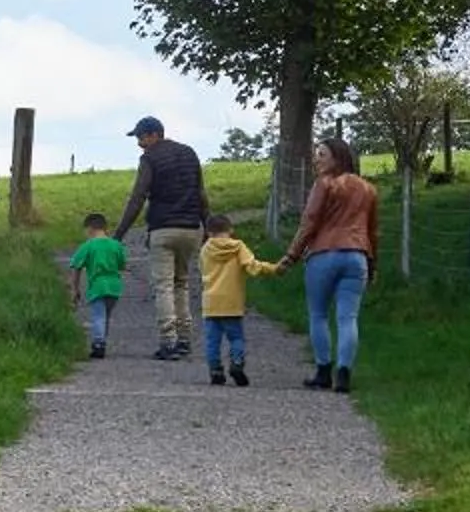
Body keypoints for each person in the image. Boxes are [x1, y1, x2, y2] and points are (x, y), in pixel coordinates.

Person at [278, 137, 379, 392]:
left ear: (337, 157)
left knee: (319, 314)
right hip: (356, 256)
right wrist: (372, 263)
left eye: (321, 154)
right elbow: (373, 230)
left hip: (324, 254)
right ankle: (344, 374)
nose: (316, 159)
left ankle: (323, 371)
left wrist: (291, 255)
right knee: (348, 317)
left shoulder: (324, 184)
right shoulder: (368, 189)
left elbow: (309, 222)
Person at [114, 116, 210, 360]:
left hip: (163, 229)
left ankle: (169, 342)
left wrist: (119, 234)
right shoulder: (189, 153)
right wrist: (207, 227)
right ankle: (185, 339)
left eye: (141, 137)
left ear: (154, 134)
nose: (139, 143)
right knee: (182, 283)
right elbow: (201, 193)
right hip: (191, 228)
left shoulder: (149, 158)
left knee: (164, 286)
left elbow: (138, 197)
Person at [197, 213, 283, 388]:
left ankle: (215, 370)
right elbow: (252, 266)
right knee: (236, 338)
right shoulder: (238, 247)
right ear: (231, 230)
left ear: (208, 232)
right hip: (232, 302)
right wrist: (273, 268)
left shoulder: (205, 249)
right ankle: (236, 363)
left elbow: (202, 270)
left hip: (211, 302)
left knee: (212, 340)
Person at [66, 212, 126, 360]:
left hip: (97, 286)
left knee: (98, 315)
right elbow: (122, 264)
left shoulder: (88, 246)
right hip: (114, 287)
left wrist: (74, 289)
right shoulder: (116, 245)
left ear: (90, 229)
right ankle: (102, 339)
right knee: (105, 315)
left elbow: (75, 266)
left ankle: (98, 344)